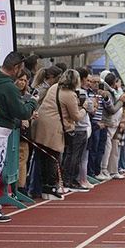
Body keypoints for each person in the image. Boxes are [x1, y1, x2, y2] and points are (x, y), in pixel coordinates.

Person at [0, 52, 39, 216]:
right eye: (21, 70)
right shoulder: (8, 87)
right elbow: (22, 112)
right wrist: (33, 102)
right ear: (16, 68)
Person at [31, 69, 84, 200]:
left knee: (42, 158)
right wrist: (84, 110)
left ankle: (38, 188)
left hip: (41, 125)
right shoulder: (69, 95)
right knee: (53, 158)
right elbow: (76, 116)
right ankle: (49, 188)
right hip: (53, 129)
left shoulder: (55, 87)